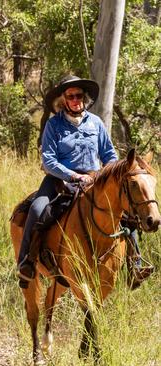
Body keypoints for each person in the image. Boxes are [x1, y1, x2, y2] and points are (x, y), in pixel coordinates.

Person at [17, 75, 153, 287]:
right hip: (59, 179)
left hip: (95, 178)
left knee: (127, 212)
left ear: (84, 97)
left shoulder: (96, 123)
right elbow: (49, 160)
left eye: (79, 95)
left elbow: (109, 154)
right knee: (37, 208)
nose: (75, 99)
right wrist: (73, 175)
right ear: (64, 100)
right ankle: (27, 261)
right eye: (70, 96)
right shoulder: (54, 125)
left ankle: (135, 265)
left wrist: (108, 173)